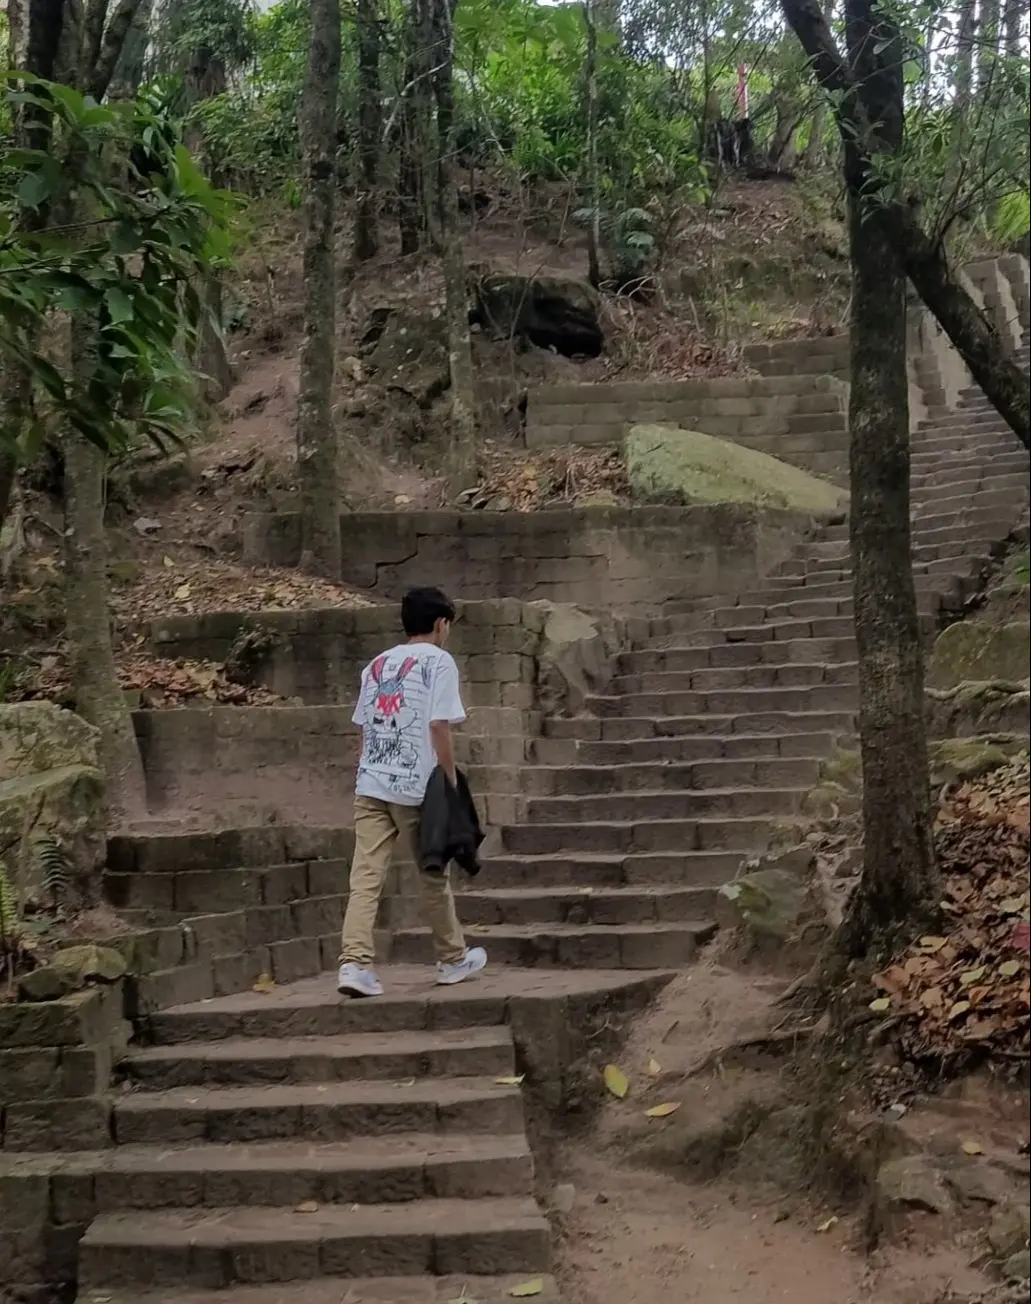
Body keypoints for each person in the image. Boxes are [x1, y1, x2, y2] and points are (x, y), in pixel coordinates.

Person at [336, 586, 488, 998]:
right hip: (414, 786)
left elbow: (365, 729)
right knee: (432, 873)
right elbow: (440, 725)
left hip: (370, 784)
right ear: (442, 624)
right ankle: (453, 959)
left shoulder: (376, 665)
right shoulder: (439, 662)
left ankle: (354, 964)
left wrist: (368, 773)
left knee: (364, 879)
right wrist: (450, 778)